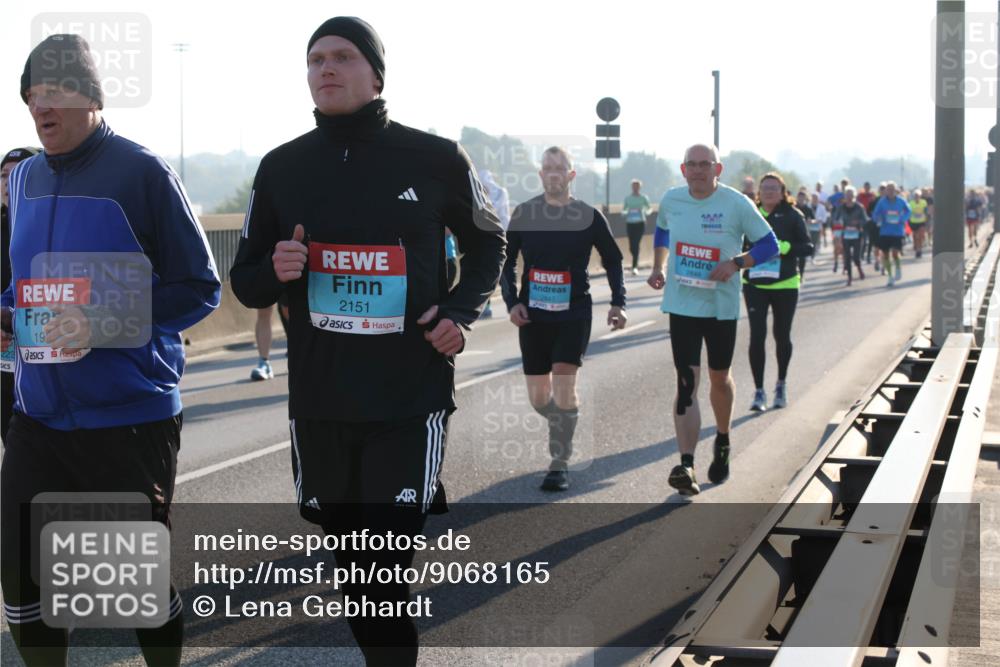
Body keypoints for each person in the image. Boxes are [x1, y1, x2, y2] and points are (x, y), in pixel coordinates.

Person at [229, 18, 506, 666]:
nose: (326, 67)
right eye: (315, 58)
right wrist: (278, 268)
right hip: (322, 405)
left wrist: (460, 312)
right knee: (356, 571)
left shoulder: (435, 157)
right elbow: (245, 282)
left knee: (384, 562)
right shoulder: (281, 167)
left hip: (408, 398)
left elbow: (489, 240)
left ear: (375, 73)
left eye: (343, 56)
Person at [1, 34, 221, 667]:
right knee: (21, 572)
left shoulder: (141, 171)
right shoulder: (26, 179)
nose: (41, 108)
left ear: (92, 96)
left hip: (126, 414)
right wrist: (8, 316)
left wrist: (101, 321)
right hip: (37, 415)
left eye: (55, 92)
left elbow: (200, 287)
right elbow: (27, 286)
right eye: (31, 96)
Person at [647, 143, 778, 495]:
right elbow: (661, 231)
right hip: (682, 305)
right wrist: (659, 266)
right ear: (683, 169)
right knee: (686, 383)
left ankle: (723, 439)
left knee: (720, 379)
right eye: (692, 164)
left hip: (720, 307)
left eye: (706, 164)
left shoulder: (736, 203)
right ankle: (686, 465)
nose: (699, 170)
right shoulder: (673, 200)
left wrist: (736, 263)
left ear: (718, 170)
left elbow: (770, 245)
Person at [502, 146, 627, 492]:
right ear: (541, 175)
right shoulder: (525, 213)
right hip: (534, 316)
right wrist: (512, 303)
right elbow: (507, 261)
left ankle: (559, 462)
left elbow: (613, 260)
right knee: (539, 398)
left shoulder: (588, 216)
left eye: (561, 168)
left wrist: (618, 302)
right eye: (548, 168)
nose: (554, 173)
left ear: (572, 175)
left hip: (574, 312)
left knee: (563, 379)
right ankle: (566, 417)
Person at [743, 173, 812, 412]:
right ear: (758, 192)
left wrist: (783, 248)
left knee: (781, 335)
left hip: (785, 284)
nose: (769, 192)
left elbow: (807, 247)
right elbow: (738, 245)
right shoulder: (749, 215)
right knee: (757, 335)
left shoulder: (793, 216)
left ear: (783, 192)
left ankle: (781, 384)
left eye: (774, 188)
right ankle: (759, 391)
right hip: (755, 285)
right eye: (765, 188)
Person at [1, 146, 39, 442]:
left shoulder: (50, 228)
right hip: (4, 357)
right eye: (3, 176)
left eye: (17, 174)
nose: (7, 182)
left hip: (45, 358)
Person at [477, 168, 510, 318]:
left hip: (502, 237)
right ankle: (485, 307)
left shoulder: (499, 193)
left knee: (503, 275)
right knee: (487, 275)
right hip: (487, 239)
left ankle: (512, 303)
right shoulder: (479, 196)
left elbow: (497, 214)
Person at [871, 181, 910, 286]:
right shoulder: (882, 202)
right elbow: (875, 214)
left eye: (892, 189)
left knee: (895, 252)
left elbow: (908, 211)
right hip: (885, 231)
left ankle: (898, 268)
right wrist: (877, 219)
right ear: (885, 191)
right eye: (888, 189)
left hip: (897, 231)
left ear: (896, 190)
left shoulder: (901, 201)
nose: (890, 191)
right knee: (886, 255)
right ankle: (890, 276)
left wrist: (902, 218)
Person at [832, 186, 868, 286]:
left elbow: (865, 220)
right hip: (846, 234)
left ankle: (859, 268)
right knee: (847, 257)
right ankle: (849, 278)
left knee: (856, 257)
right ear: (845, 196)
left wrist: (858, 223)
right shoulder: (841, 207)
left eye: (851, 195)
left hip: (857, 235)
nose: (849, 197)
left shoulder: (859, 207)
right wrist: (838, 222)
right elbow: (835, 218)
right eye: (847, 195)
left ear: (854, 196)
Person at [623, 178, 652, 275]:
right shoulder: (628, 198)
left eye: (637, 186)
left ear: (640, 187)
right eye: (634, 186)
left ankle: (634, 267)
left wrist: (644, 211)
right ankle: (635, 259)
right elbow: (624, 210)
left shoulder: (643, 198)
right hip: (630, 223)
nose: (635, 188)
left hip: (640, 223)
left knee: (636, 243)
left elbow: (649, 209)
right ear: (632, 187)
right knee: (632, 246)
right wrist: (626, 212)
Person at [794, 189, 816, 274]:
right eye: (799, 197)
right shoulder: (794, 208)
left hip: (805, 233)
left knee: (802, 256)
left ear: (805, 198)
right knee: (795, 255)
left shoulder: (808, 209)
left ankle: (801, 274)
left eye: (802, 197)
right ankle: (795, 271)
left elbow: (813, 219)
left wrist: (811, 221)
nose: (801, 199)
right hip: (794, 233)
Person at [909, 188, 930, 258]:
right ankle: (916, 247)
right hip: (913, 222)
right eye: (915, 196)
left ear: (920, 196)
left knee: (920, 236)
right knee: (915, 236)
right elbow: (909, 212)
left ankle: (919, 249)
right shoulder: (911, 203)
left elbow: (926, 211)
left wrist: (927, 219)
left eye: (918, 195)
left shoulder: (923, 202)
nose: (917, 197)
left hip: (921, 221)